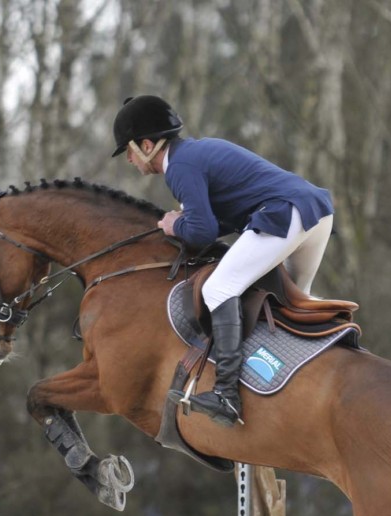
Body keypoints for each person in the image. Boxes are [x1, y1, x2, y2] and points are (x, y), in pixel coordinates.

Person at [112, 95, 334, 428]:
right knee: (295, 301)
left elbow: (202, 232)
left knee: (217, 288)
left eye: (128, 151)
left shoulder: (181, 167)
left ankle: (226, 396)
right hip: (313, 212)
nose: (129, 160)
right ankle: (329, 363)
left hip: (284, 213)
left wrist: (175, 224)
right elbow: (221, 222)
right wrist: (187, 222)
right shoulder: (193, 154)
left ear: (146, 145)